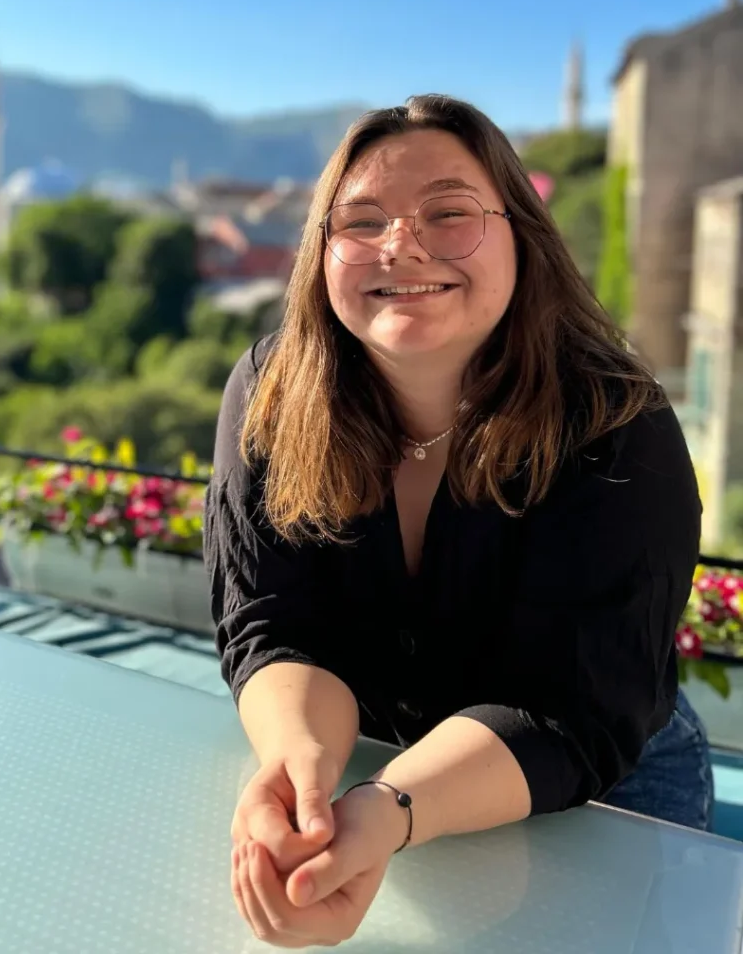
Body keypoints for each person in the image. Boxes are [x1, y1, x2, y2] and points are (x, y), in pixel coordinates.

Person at [203, 94, 711, 948]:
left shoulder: (615, 425)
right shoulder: (272, 394)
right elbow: (275, 624)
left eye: (448, 212)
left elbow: (572, 712)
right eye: (360, 220)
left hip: (602, 782)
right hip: (379, 768)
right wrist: (299, 778)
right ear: (320, 255)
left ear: (522, 236)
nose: (401, 245)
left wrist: (388, 812)